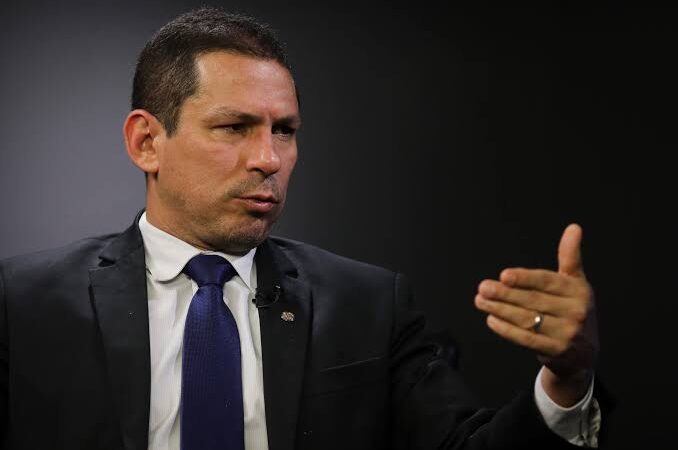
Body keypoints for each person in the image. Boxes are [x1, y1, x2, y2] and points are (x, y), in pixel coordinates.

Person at [0, 7, 605, 450]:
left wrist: (566, 381)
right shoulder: (22, 305)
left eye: (284, 131)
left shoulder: (369, 306)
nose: (269, 158)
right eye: (234, 127)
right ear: (146, 142)